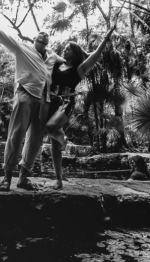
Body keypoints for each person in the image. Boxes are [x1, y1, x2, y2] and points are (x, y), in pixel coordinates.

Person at [0, 9, 63, 191]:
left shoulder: (52, 57)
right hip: (25, 94)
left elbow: (69, 63)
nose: (44, 34)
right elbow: (4, 37)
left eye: (46, 35)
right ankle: (7, 178)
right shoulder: (23, 48)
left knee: (35, 140)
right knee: (16, 135)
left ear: (48, 42)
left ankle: (23, 178)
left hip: (44, 100)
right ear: (34, 39)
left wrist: (86, 55)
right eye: (40, 33)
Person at [45, 27, 116, 189]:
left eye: (67, 49)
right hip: (51, 102)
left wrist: (106, 38)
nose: (64, 50)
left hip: (66, 103)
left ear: (74, 53)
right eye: (64, 48)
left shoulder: (79, 69)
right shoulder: (57, 65)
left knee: (50, 128)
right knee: (53, 144)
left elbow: (96, 55)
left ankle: (64, 139)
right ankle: (58, 180)